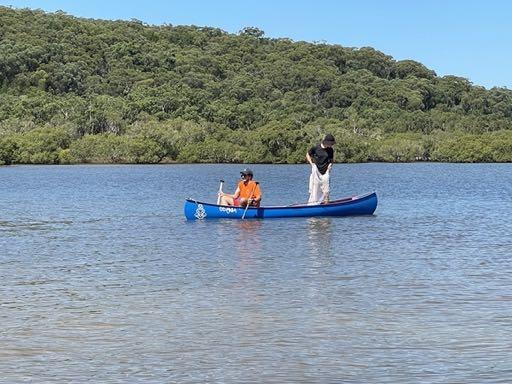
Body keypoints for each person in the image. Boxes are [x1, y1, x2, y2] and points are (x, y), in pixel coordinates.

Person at [306, 133, 335, 204]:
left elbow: (331, 160)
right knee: (315, 187)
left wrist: (330, 166)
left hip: (325, 171)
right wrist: (311, 164)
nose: (331, 145)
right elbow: (308, 154)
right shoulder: (316, 148)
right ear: (326, 142)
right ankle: (313, 203)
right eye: (330, 143)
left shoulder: (330, 150)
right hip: (316, 170)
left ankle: (326, 203)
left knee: (326, 189)